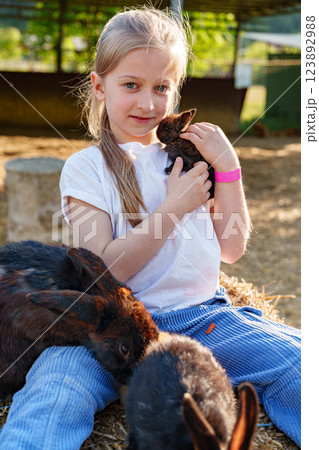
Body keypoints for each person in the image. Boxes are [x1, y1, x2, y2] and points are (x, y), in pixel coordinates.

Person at [0, 6, 301, 449]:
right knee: (56, 392)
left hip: (204, 319)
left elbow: (232, 248)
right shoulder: (88, 168)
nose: (147, 102)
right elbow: (108, 270)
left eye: (161, 87)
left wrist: (229, 168)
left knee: (296, 363)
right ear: (99, 87)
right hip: (110, 328)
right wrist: (174, 207)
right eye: (131, 85)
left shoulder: (188, 157)